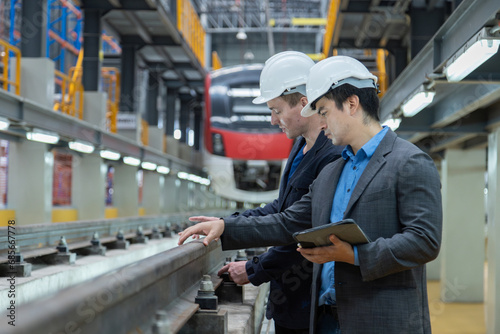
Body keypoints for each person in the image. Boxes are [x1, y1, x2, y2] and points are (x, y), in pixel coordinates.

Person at [179, 55, 442, 334]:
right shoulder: (334, 170)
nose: (322, 123)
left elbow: (424, 241)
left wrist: (353, 255)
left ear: (351, 104)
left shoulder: (409, 162)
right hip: (325, 319)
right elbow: (290, 220)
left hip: (380, 320)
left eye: (325, 112)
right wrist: (225, 226)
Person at [190, 51, 343, 334]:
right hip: (287, 299)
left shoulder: (332, 154)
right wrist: (227, 222)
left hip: (310, 304)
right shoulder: (300, 146)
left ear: (304, 103)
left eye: (277, 110)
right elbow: (280, 208)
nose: (273, 120)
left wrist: (253, 268)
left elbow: (300, 225)